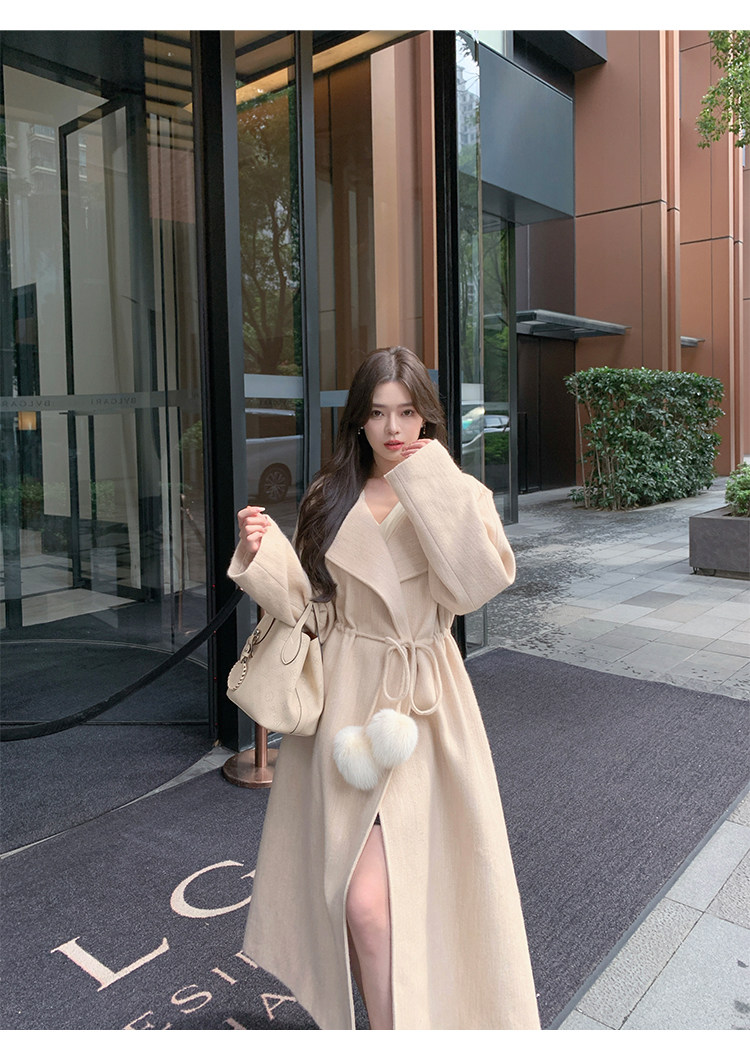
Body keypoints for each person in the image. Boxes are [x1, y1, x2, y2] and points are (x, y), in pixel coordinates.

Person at [229, 346, 540, 1030]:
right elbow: (313, 608)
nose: (393, 429)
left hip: (424, 706)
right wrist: (262, 557)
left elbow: (474, 586)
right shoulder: (329, 495)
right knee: (357, 899)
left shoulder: (457, 494)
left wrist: (428, 480)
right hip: (346, 704)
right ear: (358, 420)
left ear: (426, 416)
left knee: (410, 893)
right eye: (377, 413)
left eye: (406, 412)